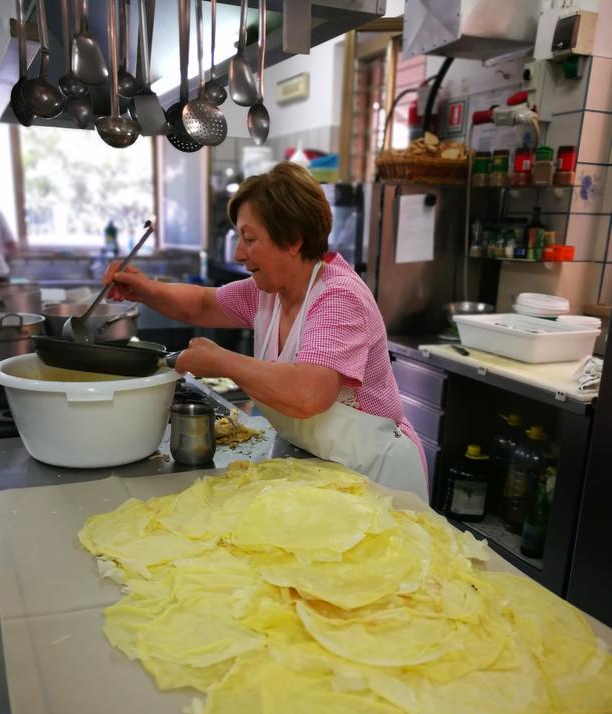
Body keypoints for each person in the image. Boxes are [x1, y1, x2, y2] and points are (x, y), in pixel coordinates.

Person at [106, 162, 428, 500]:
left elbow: (309, 394)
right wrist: (143, 290)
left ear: (292, 239)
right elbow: (202, 303)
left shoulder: (338, 298)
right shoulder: (269, 292)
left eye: (249, 239)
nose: (238, 253)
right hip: (324, 468)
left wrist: (221, 361)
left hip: (375, 478)